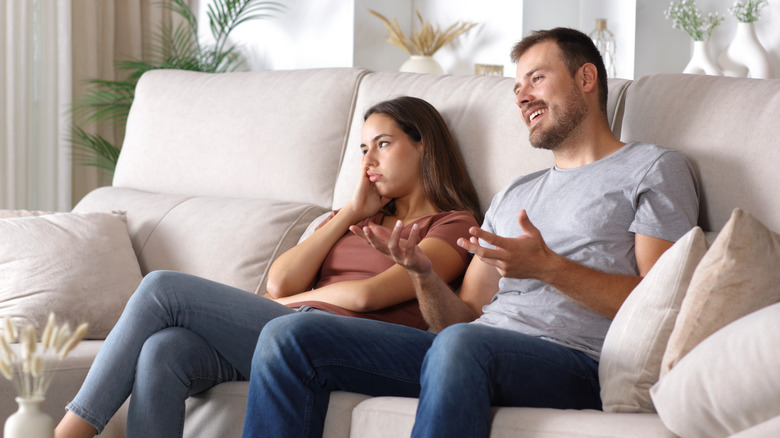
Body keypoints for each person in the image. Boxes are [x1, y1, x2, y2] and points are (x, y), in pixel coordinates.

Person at [241, 27, 699, 438]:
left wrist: (549, 268)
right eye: (517, 87)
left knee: (463, 346)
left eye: (536, 79)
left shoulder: (653, 168)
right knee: (291, 336)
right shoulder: (514, 194)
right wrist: (422, 274)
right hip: (470, 347)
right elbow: (459, 319)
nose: (522, 96)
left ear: (586, 78)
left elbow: (657, 301)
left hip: (573, 359)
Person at [53, 96, 482, 438]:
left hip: (352, 341)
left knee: (163, 288)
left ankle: (71, 431)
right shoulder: (353, 218)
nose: (368, 161)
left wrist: (293, 301)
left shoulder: (452, 224)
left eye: (383, 145)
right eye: (363, 149)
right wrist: (350, 212)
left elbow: (365, 295)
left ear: (423, 144)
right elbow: (279, 281)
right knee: (164, 349)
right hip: (290, 330)